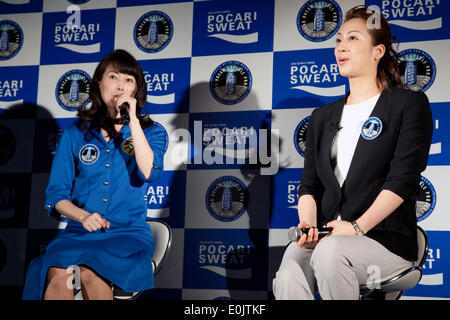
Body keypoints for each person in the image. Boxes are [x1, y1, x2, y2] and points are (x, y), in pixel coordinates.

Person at [273, 6, 433, 300]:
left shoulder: (408, 105)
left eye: (354, 38)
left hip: (386, 241)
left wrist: (357, 228)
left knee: (332, 253)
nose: (341, 46)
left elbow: (402, 180)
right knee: (289, 270)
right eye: (338, 40)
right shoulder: (322, 116)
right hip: (328, 237)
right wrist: (308, 226)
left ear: (378, 51)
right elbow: (310, 186)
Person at [22, 49, 167, 300]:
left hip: (126, 234)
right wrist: (83, 216)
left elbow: (150, 173)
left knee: (90, 272)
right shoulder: (74, 135)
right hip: (80, 234)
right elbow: (56, 195)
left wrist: (132, 121)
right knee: (58, 275)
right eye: (113, 77)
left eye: (129, 80)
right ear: (99, 83)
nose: (120, 86)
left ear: (136, 90)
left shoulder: (151, 132)